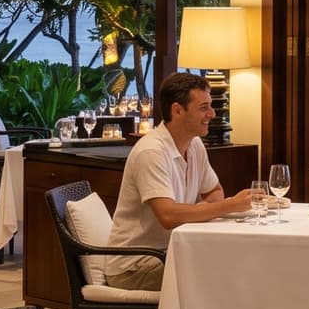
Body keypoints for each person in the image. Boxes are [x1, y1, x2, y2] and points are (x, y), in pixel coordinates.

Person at [105, 71, 253, 290]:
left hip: (170, 252)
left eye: (210, 106)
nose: (212, 114)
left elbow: (214, 191)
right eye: (203, 107)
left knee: (237, 262)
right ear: (177, 110)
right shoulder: (151, 152)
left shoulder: (194, 145)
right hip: (135, 266)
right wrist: (229, 206)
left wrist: (204, 207)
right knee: (225, 270)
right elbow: (168, 216)